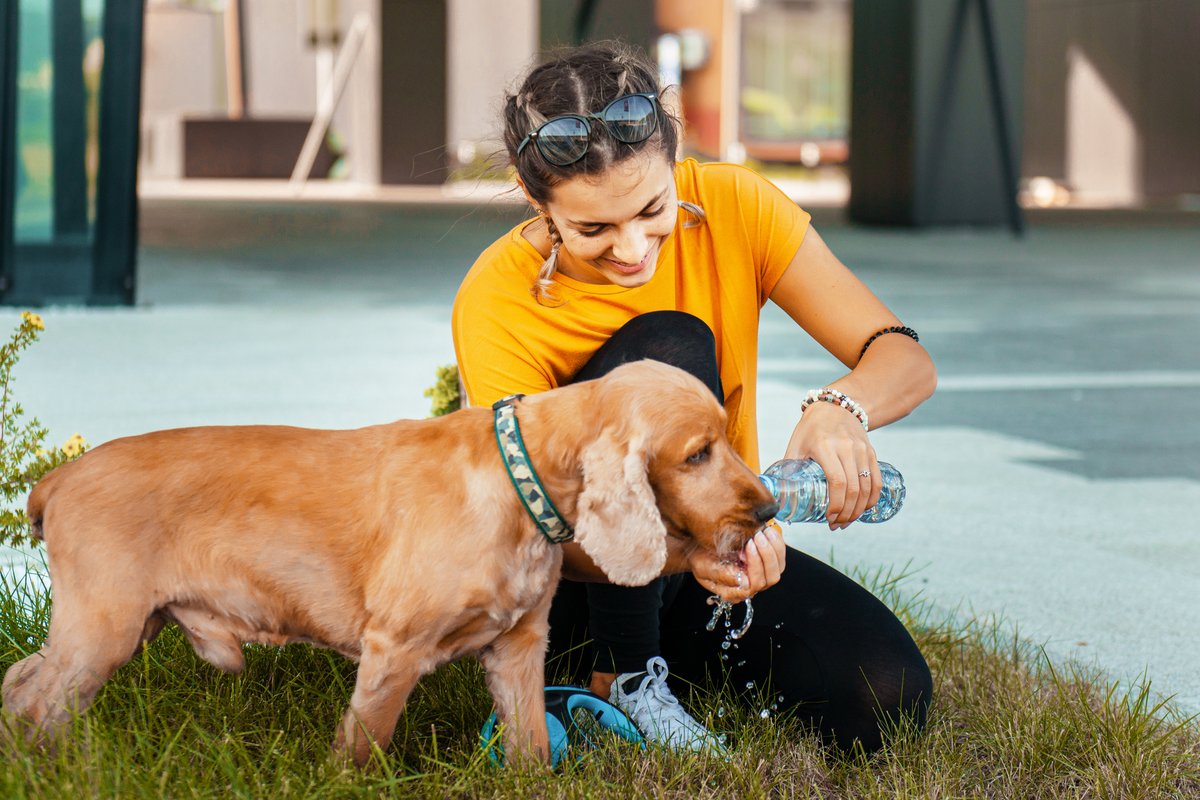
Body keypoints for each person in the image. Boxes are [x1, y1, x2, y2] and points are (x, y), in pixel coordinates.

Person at [451, 41, 937, 754]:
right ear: (538, 202)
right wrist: (686, 550)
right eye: (593, 229)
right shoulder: (497, 300)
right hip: (567, 588)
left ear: (674, 162)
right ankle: (617, 679)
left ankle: (666, 670)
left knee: (887, 695)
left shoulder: (735, 205)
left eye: (651, 207)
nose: (632, 247)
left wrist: (842, 407)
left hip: (702, 561)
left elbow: (903, 358)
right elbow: (522, 526)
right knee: (668, 347)